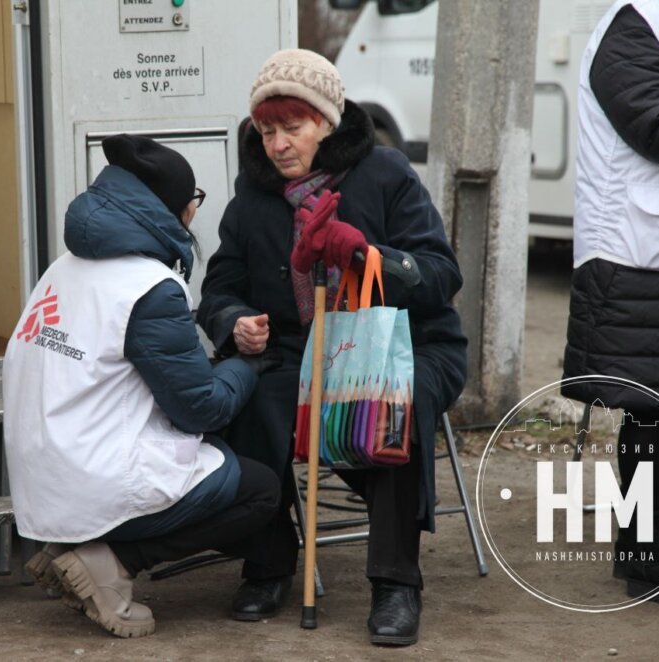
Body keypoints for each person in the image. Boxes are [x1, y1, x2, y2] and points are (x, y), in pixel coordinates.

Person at [197, 49, 467, 646]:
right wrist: (236, 321)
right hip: (299, 350)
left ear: (327, 121)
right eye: (267, 131)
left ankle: (396, 582)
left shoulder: (388, 174)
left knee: (392, 402)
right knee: (251, 398)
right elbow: (218, 289)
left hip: (403, 341)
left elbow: (441, 276)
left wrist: (364, 254)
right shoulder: (252, 200)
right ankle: (268, 564)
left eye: (293, 128)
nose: (278, 145)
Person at [2, 134, 281, 638]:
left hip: (40, 480)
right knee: (260, 489)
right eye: (193, 200)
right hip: (90, 479)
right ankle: (111, 560)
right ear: (178, 210)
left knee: (196, 452)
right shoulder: (147, 286)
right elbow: (201, 410)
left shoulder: (61, 269)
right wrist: (248, 364)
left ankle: (70, 547)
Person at [561, 0, 659, 609]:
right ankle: (650, 559)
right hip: (638, 253)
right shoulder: (637, 22)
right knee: (653, 410)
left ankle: (646, 551)